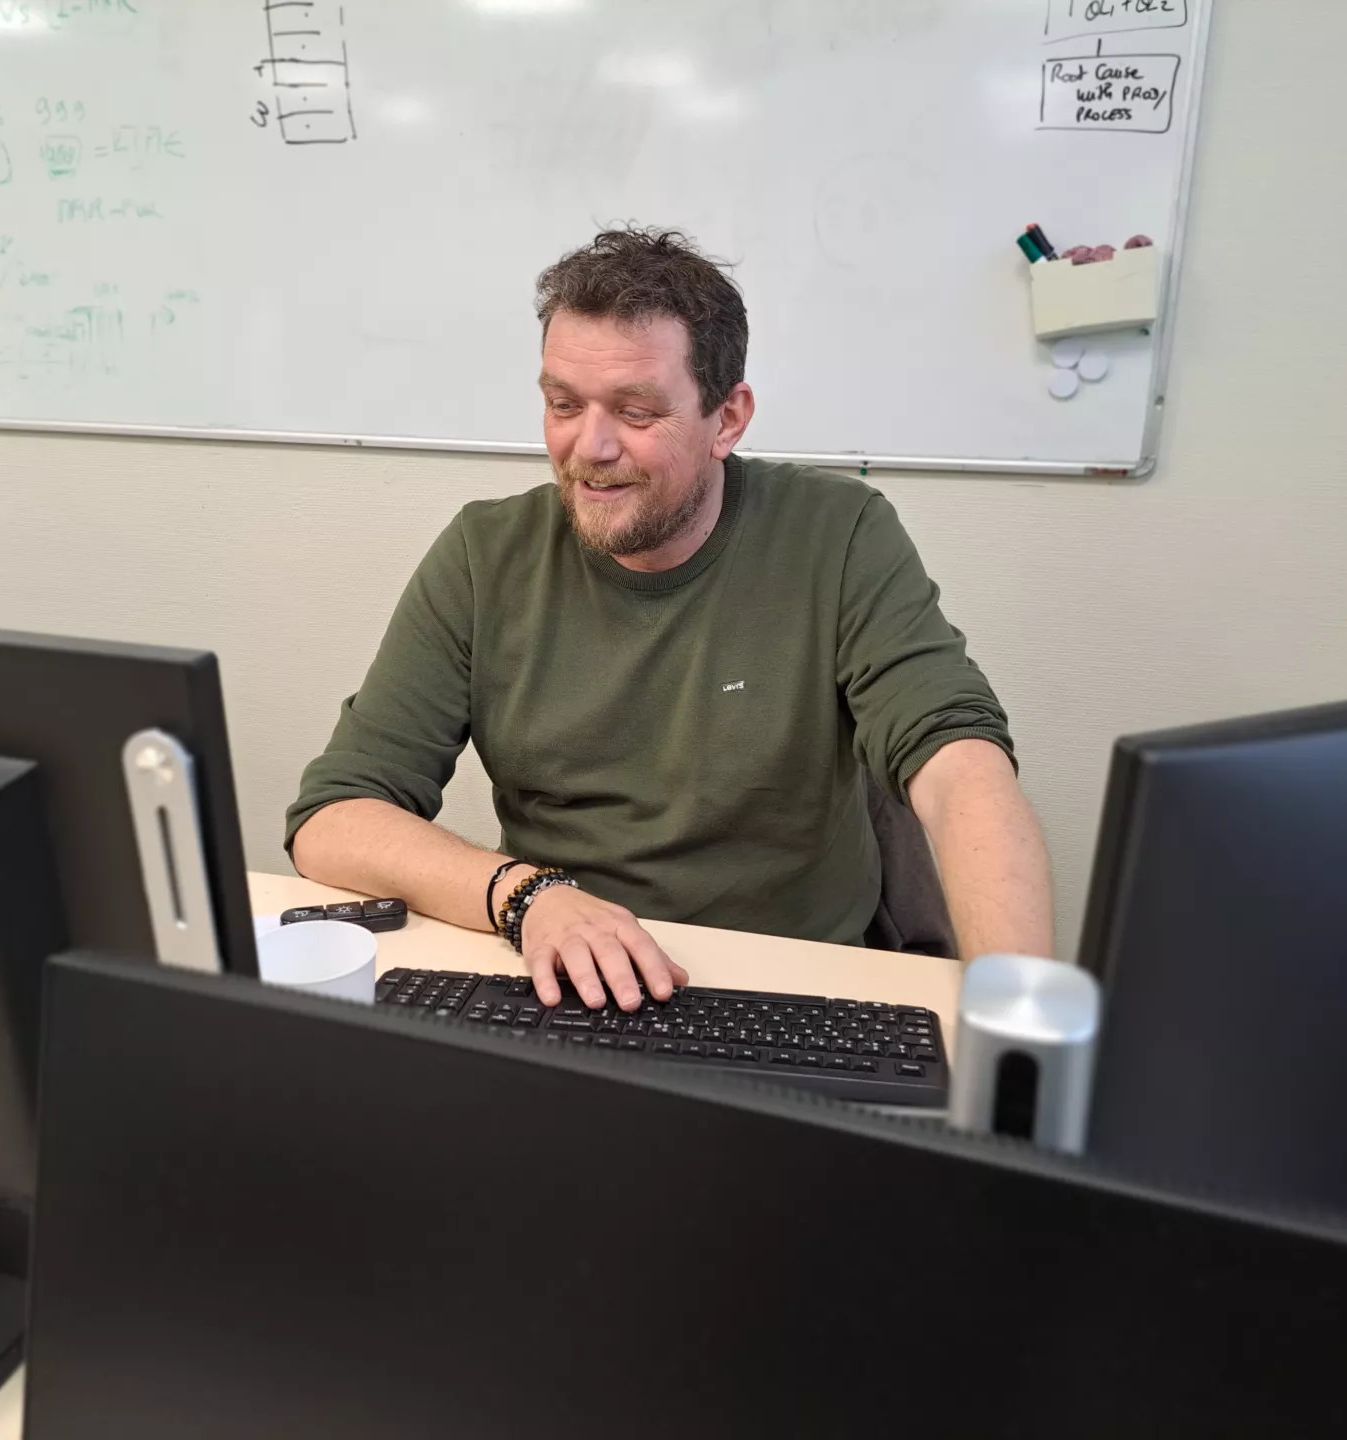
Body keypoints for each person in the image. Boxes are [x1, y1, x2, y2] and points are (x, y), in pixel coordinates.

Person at [288, 227, 1052, 1012]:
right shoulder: (486, 555)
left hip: (791, 986)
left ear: (727, 419)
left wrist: (1017, 1026)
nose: (590, 447)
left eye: (637, 411)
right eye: (562, 404)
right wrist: (527, 896)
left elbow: (961, 769)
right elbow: (335, 817)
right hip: (571, 977)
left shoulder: (839, 533)